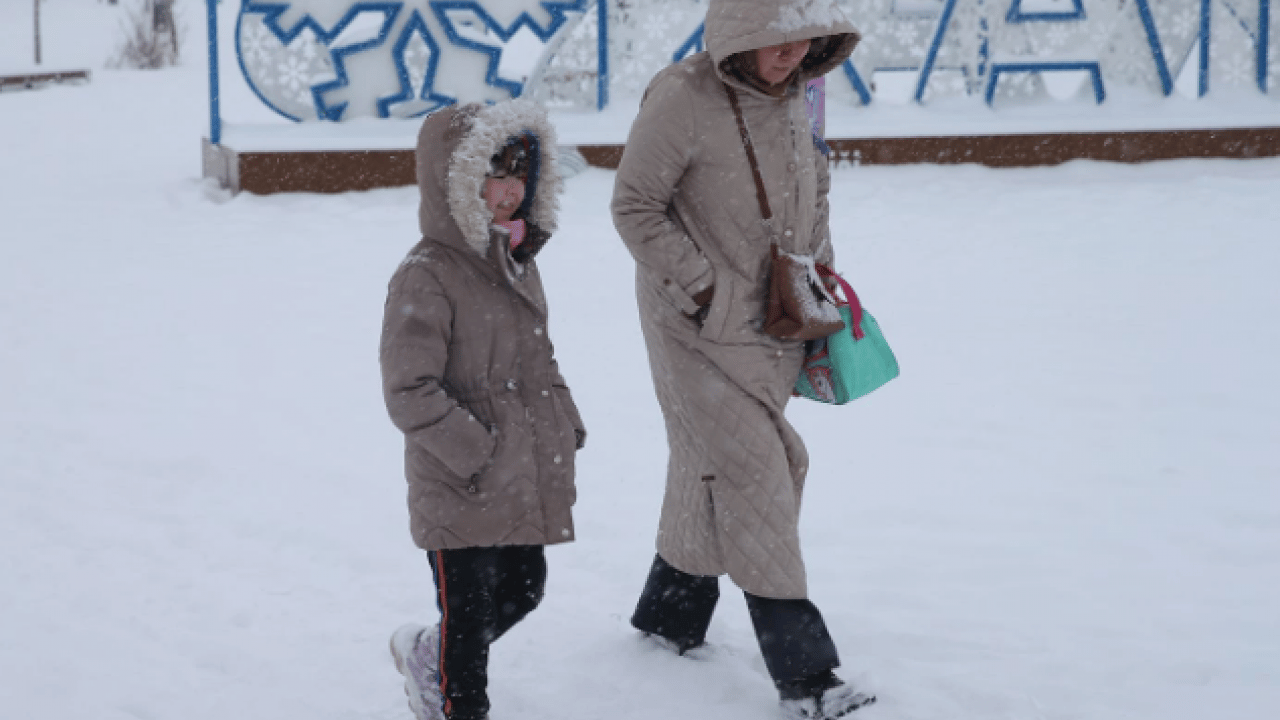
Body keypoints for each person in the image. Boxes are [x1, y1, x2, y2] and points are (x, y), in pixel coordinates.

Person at [610, 1, 873, 719]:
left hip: (775, 323)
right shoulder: (683, 97)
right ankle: (806, 678)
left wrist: (820, 290)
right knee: (762, 474)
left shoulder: (794, 100)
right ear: (739, 32)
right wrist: (703, 288)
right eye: (775, 40)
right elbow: (634, 205)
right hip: (690, 325)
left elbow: (811, 203)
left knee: (711, 465)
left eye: (803, 39)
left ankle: (670, 614)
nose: (792, 54)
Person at [380, 99, 586, 720]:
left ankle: (429, 653)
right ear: (458, 182)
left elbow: (537, 363)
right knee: (467, 622)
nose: (511, 189)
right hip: (459, 479)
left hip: (515, 472)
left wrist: (564, 420)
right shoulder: (427, 274)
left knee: (525, 590)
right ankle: (453, 700)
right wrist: (476, 451)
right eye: (496, 174)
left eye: (521, 175)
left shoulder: (516, 261)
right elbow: (408, 388)